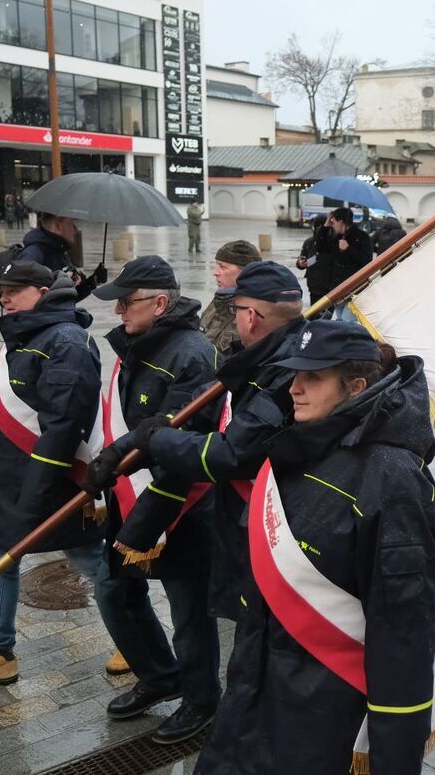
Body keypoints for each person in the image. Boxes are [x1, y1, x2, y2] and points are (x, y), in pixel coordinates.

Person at [194, 321, 435, 774]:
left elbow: (402, 637)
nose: (294, 389)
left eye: (312, 377)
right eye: (294, 374)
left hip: (323, 710)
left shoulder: (393, 481)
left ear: (356, 386)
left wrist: (395, 761)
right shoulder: (303, 440)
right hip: (257, 680)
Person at [90, 261, 308, 623]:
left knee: (246, 632)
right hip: (249, 523)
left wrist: (156, 440)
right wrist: (121, 450)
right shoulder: (257, 360)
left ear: (251, 316)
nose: (232, 318)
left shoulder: (279, 370)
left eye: (235, 309)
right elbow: (193, 415)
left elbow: (233, 451)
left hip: (273, 526)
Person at [0, 261, 108, 690]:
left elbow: (64, 427)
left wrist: (32, 497)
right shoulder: (25, 335)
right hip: (10, 480)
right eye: (1, 290)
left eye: (13, 290)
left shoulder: (65, 341)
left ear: (43, 290)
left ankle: (135, 634)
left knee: (91, 560)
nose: (3, 297)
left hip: (51, 482)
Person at [83, 256, 223, 744]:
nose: (118, 310)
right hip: (130, 492)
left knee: (189, 611)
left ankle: (202, 699)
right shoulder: (137, 345)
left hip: (177, 500)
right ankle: (161, 676)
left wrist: (117, 456)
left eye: (127, 301)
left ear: (160, 303)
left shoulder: (192, 353)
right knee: (114, 591)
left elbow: (177, 425)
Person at [17, 212, 102, 300]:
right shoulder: (33, 254)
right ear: (57, 226)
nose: (76, 230)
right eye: (71, 224)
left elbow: (66, 299)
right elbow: (23, 300)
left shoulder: (60, 252)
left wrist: (93, 281)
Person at [201, 240, 261, 358]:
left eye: (223, 267)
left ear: (245, 272)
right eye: (216, 265)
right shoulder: (219, 301)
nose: (216, 273)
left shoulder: (254, 315)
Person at [316, 207, 373, 320]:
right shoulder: (336, 237)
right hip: (338, 288)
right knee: (339, 320)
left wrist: (348, 249)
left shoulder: (362, 237)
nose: (332, 225)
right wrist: (325, 227)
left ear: (341, 222)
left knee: (347, 322)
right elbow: (321, 248)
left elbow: (367, 261)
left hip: (354, 288)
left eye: (333, 222)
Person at [296, 215, 333, 307]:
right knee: (315, 310)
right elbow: (301, 258)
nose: (319, 230)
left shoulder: (333, 242)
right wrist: (300, 264)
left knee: (327, 311)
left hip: (329, 284)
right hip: (314, 284)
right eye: (317, 227)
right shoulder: (309, 242)